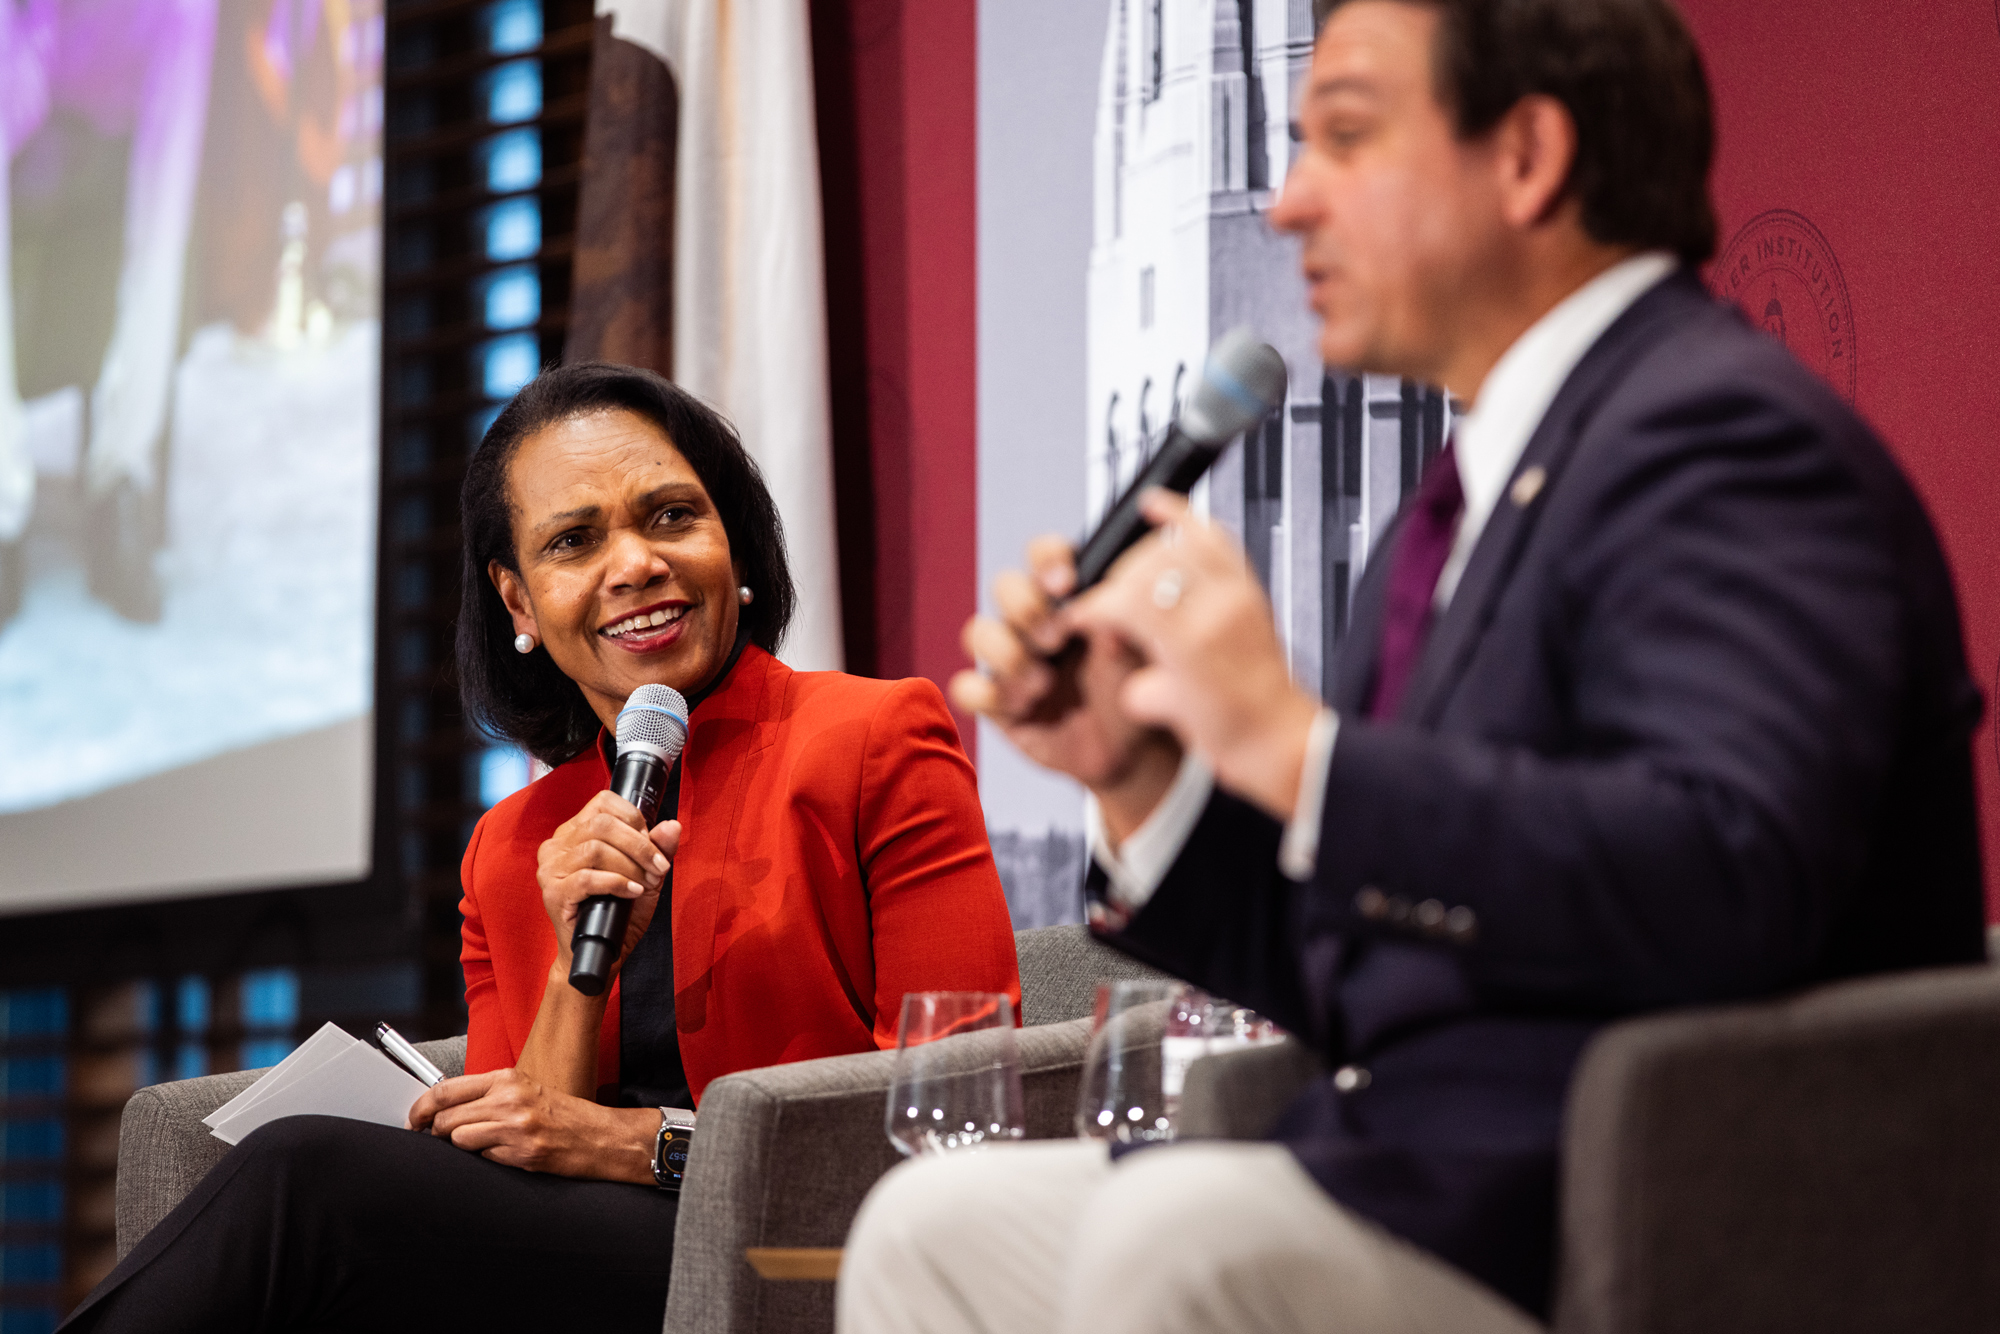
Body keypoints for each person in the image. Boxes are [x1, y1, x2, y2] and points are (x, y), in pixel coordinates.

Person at [837, 1, 1984, 1332]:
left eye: (1344, 137)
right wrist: (1144, 777)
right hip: (1420, 1168)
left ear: (1526, 157)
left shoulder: (1722, 436)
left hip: (1663, 1208)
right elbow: (1366, 957)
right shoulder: (1458, 500)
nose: (1288, 202)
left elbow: (1730, 870)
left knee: (1176, 1240)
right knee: (932, 1231)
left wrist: (1293, 750)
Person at [60, 362, 1020, 1331]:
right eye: (574, 540)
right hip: (581, 1271)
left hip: (796, 1252)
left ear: (731, 542)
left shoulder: (872, 738)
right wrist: (572, 966)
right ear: (518, 602)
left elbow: (961, 1104)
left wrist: (639, 1144)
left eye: (672, 516)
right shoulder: (510, 844)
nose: (635, 564)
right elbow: (515, 1159)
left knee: (302, 1173)